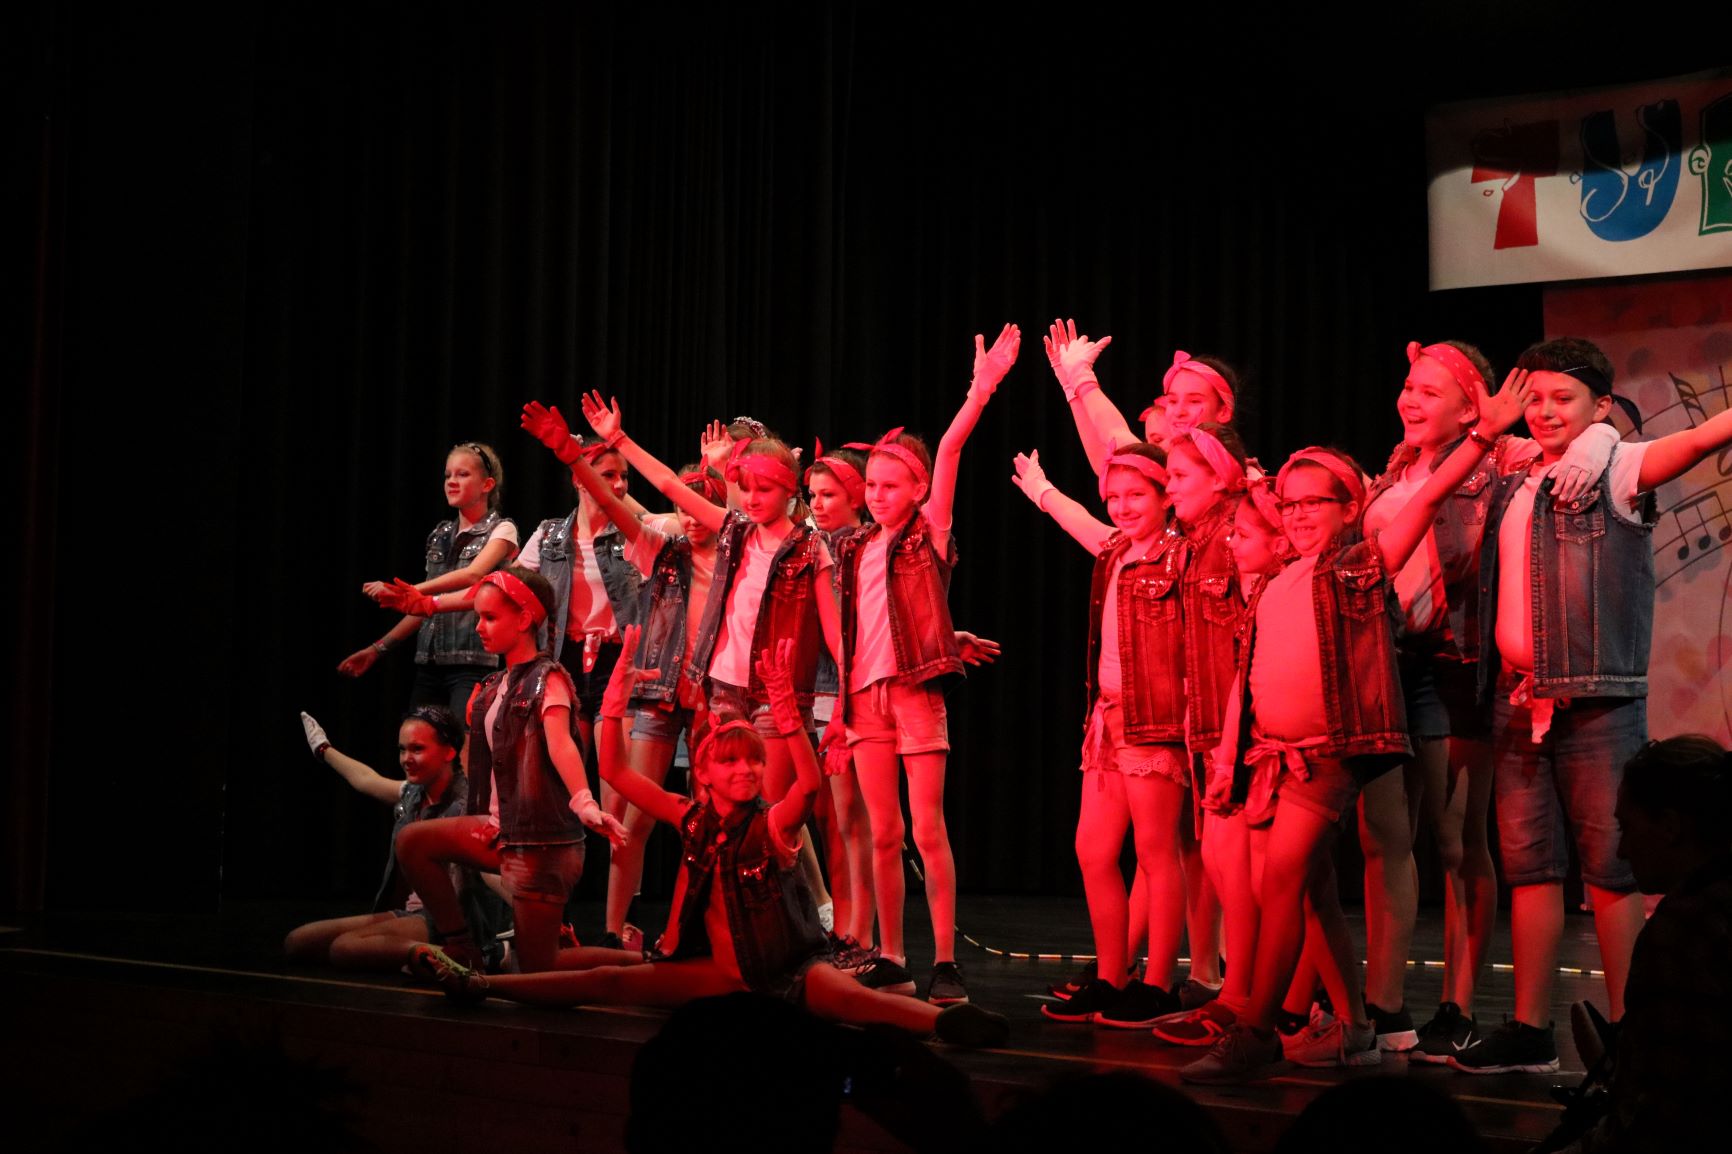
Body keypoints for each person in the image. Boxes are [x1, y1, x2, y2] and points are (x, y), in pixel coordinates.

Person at [1183, 367, 1536, 1083]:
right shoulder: (1276, 581)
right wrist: (1228, 757)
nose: (1298, 514)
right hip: (1274, 757)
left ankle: (1256, 1030)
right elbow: (1250, 678)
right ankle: (1355, 1028)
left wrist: (1482, 436)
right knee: (1309, 892)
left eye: (1316, 502)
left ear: (1352, 507)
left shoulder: (1360, 569)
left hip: (1330, 756)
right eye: (1290, 504)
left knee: (1282, 879)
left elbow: (1429, 496)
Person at [407, 632, 1011, 1050]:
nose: (747, 771)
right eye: (732, 763)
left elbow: (806, 786)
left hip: (787, 973)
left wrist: (787, 715)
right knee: (610, 984)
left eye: (753, 761)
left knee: (859, 1005)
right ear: (704, 772)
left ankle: (946, 1024)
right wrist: (613, 706)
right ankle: (481, 984)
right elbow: (614, 772)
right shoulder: (691, 818)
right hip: (717, 974)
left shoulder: (771, 825)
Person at [1453, 337, 1732, 1073]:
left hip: (1595, 702)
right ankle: (1529, 1028)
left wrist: (1605, 438)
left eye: (1564, 399)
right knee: (1531, 866)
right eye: (1536, 398)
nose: (1545, 412)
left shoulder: (1619, 464)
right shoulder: (1516, 473)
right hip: (1519, 700)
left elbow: (1701, 437)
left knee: (1613, 867)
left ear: (1602, 405)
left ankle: (1633, 1032)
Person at [1359, 341, 1617, 1056]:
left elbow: (1580, 449)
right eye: (1408, 385)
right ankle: (1384, 1003)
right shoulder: (1395, 467)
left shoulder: (1502, 457)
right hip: (1394, 663)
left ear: (1473, 403)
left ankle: (1459, 1003)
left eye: (1429, 391)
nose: (1411, 400)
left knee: (1457, 839)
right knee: (1390, 838)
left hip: (1460, 662)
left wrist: (1598, 438)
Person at [831, 324, 1020, 1006]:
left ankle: (944, 961)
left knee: (926, 829)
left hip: (914, 694)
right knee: (882, 834)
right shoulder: (854, 547)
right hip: (865, 698)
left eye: (892, 485)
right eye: (872, 485)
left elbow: (949, 447)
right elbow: (858, 626)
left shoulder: (927, 534)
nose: (878, 495)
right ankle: (891, 954)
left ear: (918, 490)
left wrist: (980, 390)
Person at [522, 400, 728, 950]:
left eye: (704, 507)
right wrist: (571, 453)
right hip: (657, 694)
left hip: (713, 696)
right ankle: (615, 931)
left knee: (709, 820)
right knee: (633, 818)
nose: (692, 517)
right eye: (685, 508)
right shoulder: (660, 547)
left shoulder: (737, 553)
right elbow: (614, 505)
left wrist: (723, 467)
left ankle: (696, 928)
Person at [1013, 440, 1190, 1027]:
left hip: (1155, 719)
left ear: (1167, 496)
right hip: (1108, 718)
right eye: (1114, 496)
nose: (1122, 506)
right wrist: (1041, 490)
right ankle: (1113, 976)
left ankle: (1158, 985)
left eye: (1136, 495)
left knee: (1157, 852)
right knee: (1092, 849)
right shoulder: (1114, 551)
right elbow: (1080, 522)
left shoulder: (1182, 555)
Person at [391, 566, 628, 974]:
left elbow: (560, 743)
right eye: (479, 617)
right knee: (413, 841)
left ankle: (645, 965)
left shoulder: (548, 680)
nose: (479, 627)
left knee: (539, 967)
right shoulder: (493, 686)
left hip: (541, 845)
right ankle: (461, 947)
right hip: (503, 833)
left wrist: (585, 801)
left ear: (523, 620)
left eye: (490, 617)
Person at [1563, 735, 1732, 1153]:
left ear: (1670, 827)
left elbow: (1662, 1117)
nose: (1622, 850)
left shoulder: (1683, 931)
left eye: (1627, 828)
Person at [285, 706, 499, 970]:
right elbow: (366, 779)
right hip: (412, 913)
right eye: (402, 749)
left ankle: (463, 957)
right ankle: (431, 957)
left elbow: (490, 871)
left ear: (449, 752)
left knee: (344, 947)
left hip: (448, 921)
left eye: (417, 749)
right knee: (298, 942)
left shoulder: (467, 806)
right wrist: (323, 748)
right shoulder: (414, 793)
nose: (406, 758)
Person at [339, 442, 519, 717]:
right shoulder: (440, 535)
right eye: (448, 475)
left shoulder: (502, 529)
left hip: (472, 664)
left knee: (461, 741)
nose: (452, 482)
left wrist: (409, 590)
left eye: (463, 474)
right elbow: (423, 605)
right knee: (416, 739)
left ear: (487, 484)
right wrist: (377, 649)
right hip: (429, 666)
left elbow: (473, 574)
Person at [806, 442, 878, 966]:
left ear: (856, 497)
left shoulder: (867, 547)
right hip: (814, 689)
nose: (817, 504)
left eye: (828, 495)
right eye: (812, 495)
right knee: (829, 816)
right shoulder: (810, 546)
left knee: (851, 818)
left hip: (851, 690)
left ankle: (859, 928)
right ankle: (842, 924)